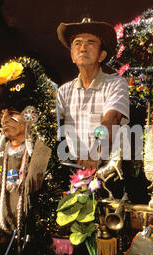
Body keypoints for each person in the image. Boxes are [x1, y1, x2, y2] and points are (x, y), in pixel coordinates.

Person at [0, 58, 52, 235]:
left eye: (13, 117)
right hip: (4, 201)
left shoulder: (34, 145)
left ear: (29, 118)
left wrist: (34, 173)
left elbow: (40, 157)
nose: (6, 121)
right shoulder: (1, 146)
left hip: (28, 207)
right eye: (3, 117)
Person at [56, 18, 130, 170]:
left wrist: (95, 152)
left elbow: (111, 119)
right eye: (77, 43)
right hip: (74, 168)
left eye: (90, 43)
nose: (83, 48)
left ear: (101, 56)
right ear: (72, 56)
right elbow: (50, 123)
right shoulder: (64, 91)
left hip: (107, 169)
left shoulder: (116, 84)